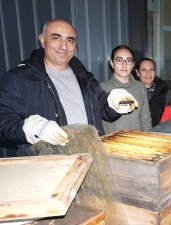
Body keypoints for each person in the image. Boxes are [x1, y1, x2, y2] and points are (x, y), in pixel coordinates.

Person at [0, 19, 136, 156]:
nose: (64, 46)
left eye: (70, 40)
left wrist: (114, 103)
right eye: (56, 38)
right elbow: (3, 124)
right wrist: (34, 128)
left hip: (91, 160)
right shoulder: (19, 78)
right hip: (48, 168)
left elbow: (102, 108)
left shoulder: (85, 77)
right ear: (42, 40)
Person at [101, 45, 152, 133]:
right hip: (112, 143)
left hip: (137, 142)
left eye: (128, 60)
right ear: (112, 63)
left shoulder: (140, 87)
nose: (124, 65)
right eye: (119, 60)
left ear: (132, 65)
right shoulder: (102, 88)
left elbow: (146, 119)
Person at [134, 58, 169, 127]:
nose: (148, 73)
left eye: (151, 69)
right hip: (137, 133)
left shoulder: (161, 90)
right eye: (144, 70)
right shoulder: (132, 91)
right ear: (137, 72)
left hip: (156, 133)